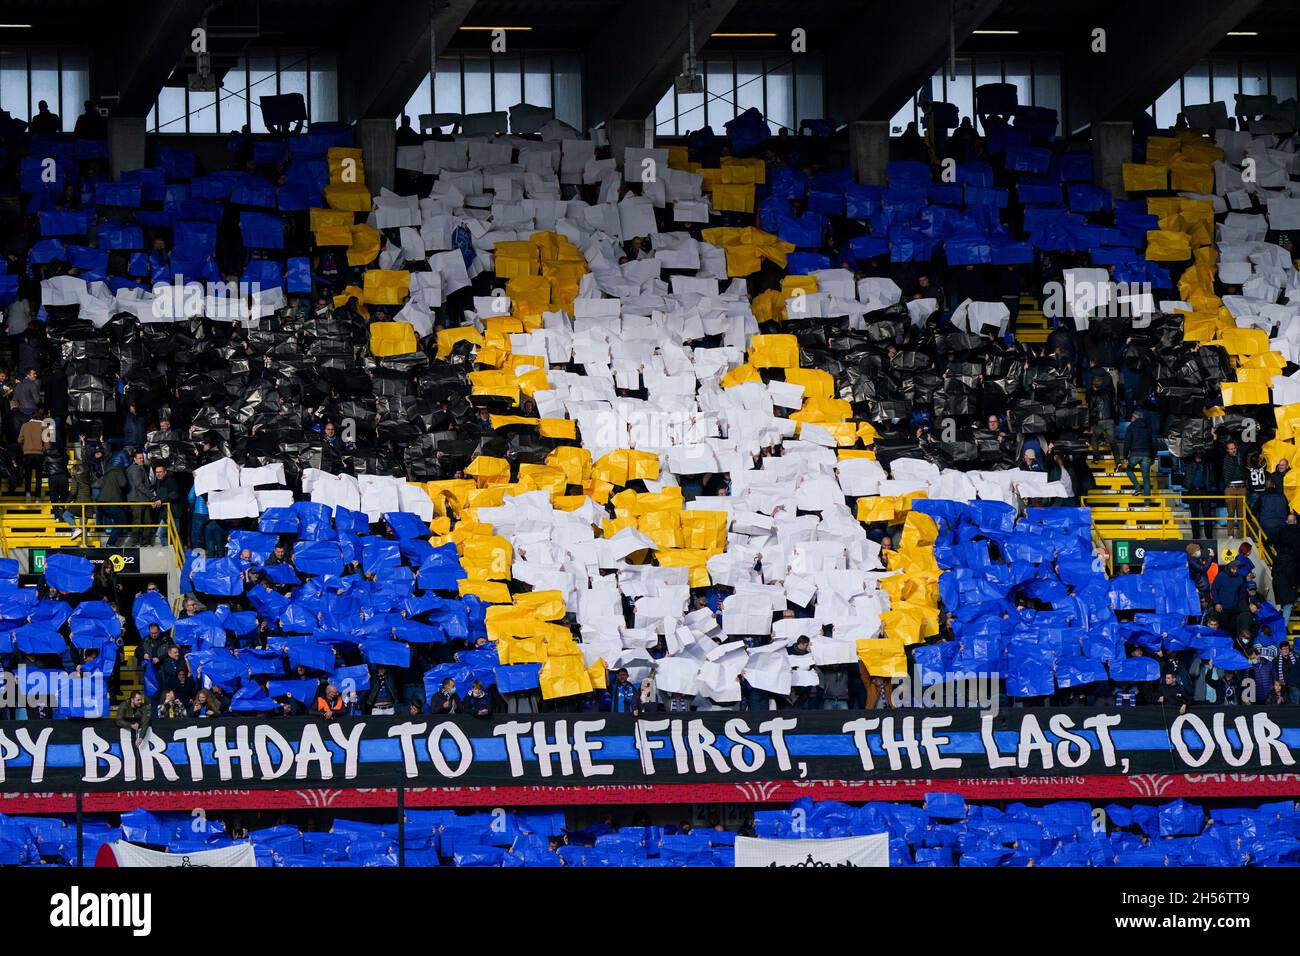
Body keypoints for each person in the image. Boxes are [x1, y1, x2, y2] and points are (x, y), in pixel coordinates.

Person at [1121, 410, 1156, 498]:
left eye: (1132, 417)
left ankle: (1137, 488)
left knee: (1128, 469)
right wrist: (1153, 457)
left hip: (1135, 453)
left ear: (1135, 417)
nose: (1131, 419)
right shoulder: (1148, 427)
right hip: (1147, 455)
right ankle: (1147, 503)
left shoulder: (1131, 427)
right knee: (1146, 479)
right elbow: (1154, 443)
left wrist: (1125, 456)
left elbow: (1127, 443)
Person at [1222, 438, 1248, 538]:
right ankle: (1230, 535)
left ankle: (1242, 535)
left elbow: (1246, 445)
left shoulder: (1241, 456)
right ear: (1227, 450)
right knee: (1231, 513)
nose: (1233, 450)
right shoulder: (1225, 458)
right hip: (1230, 488)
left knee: (1242, 514)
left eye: (1234, 448)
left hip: (1242, 488)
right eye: (1231, 449)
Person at [17, 411, 44, 500]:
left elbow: (19, 440)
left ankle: (28, 493)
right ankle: (37, 497)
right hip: (39, 454)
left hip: (27, 454)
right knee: (38, 477)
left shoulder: (25, 425)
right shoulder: (44, 426)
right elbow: (48, 443)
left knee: (28, 476)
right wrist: (44, 449)